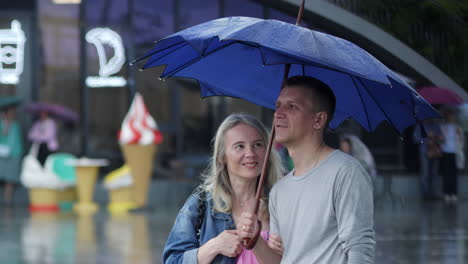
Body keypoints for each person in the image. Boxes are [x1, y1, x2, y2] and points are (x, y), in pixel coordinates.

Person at [237, 76, 375, 263]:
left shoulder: (345, 172)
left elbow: (360, 250)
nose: (278, 113)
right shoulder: (280, 190)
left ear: (318, 120)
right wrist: (256, 242)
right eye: (278, 105)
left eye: (292, 106)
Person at [163, 113, 284, 264]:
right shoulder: (201, 204)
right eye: (239, 146)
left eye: (258, 145)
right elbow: (172, 261)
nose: (251, 153)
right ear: (222, 157)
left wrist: (261, 244)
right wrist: (214, 246)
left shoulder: (282, 201)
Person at [413, 119, 443, 201]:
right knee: (425, 172)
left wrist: (436, 137)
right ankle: (425, 194)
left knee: (434, 173)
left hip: (435, 151)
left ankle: (433, 193)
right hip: (424, 152)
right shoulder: (420, 126)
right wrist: (426, 138)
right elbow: (415, 139)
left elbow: (441, 138)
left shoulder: (436, 126)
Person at [0, 104, 24, 204]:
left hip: (14, 154)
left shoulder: (16, 125)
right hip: (2, 154)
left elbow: (18, 141)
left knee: (10, 179)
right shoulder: (2, 124)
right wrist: (5, 124)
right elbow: (4, 134)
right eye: (9, 112)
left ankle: (8, 200)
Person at [439, 107, 464, 202]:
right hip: (446, 152)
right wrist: (441, 139)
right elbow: (440, 139)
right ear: (447, 116)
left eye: (453, 115)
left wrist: (459, 135)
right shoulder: (443, 126)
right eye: (450, 115)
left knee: (454, 174)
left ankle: (454, 193)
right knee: (446, 174)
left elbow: (461, 142)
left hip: (455, 152)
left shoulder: (458, 127)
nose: (452, 117)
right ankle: (446, 193)